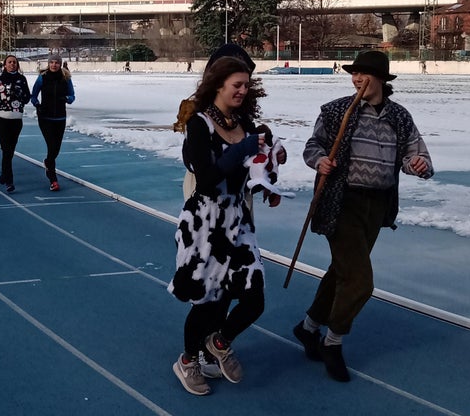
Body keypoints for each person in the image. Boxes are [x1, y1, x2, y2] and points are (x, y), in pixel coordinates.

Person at [293, 50, 433, 383]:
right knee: (359, 282)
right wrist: (320, 161)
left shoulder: (399, 117)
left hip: (378, 206)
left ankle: (308, 327)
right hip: (341, 202)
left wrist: (418, 165)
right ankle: (333, 342)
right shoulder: (336, 111)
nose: (356, 79)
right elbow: (313, 147)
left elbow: (416, 155)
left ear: (380, 79)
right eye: (353, 74)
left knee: (342, 271)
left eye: (363, 74)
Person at [168, 56, 280, 396]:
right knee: (208, 301)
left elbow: (248, 170)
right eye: (237, 85)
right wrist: (242, 148)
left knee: (253, 299)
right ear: (218, 85)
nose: (243, 91)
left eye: (247, 85)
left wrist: (269, 171)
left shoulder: (243, 122)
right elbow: (206, 178)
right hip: (205, 223)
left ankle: (218, 342)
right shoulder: (199, 123)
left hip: (237, 219)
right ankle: (188, 360)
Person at [30, 53, 75, 191]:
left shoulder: (66, 78)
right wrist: (37, 105)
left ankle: (48, 162)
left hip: (60, 118)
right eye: (52, 62)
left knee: (56, 149)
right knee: (51, 146)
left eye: (56, 62)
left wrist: (67, 99)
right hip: (45, 118)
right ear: (48, 64)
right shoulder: (42, 77)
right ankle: (53, 179)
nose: (54, 65)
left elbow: (72, 95)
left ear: (60, 64)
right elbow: (33, 95)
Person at [0, 54, 31, 193]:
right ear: (5, 65)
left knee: (10, 150)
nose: (12, 64)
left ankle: (4, 173)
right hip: (2, 118)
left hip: (16, 118)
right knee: (6, 149)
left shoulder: (22, 79)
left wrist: (19, 97)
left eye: (14, 62)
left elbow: (27, 97)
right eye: (9, 62)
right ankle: (9, 181)